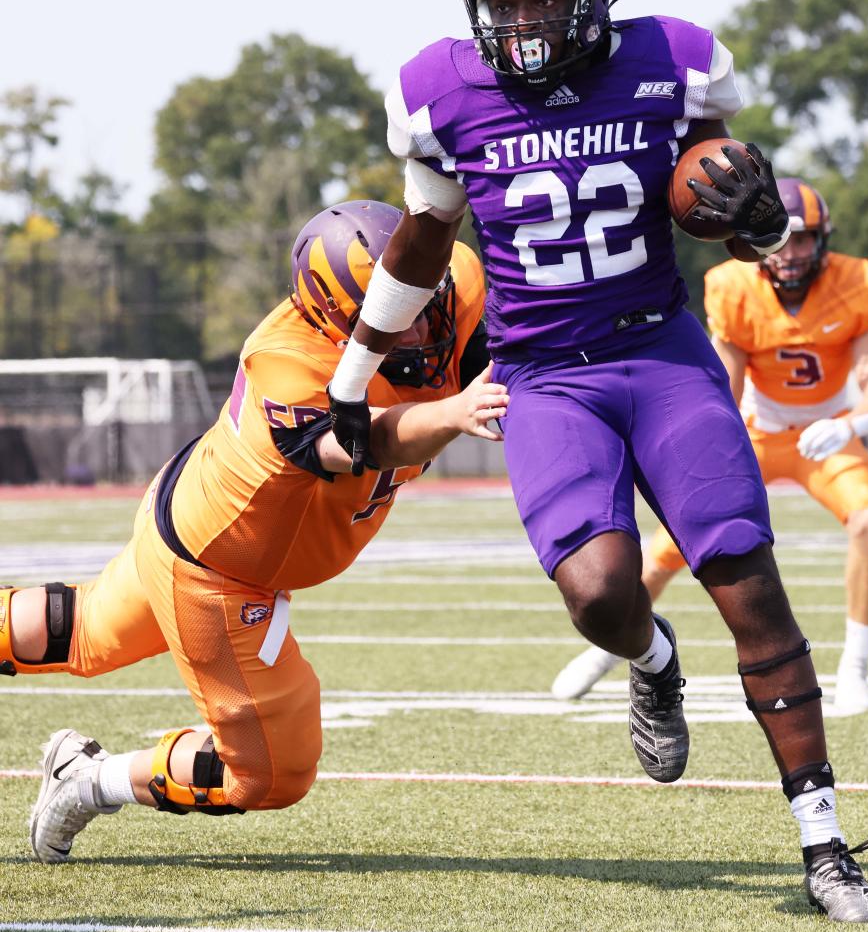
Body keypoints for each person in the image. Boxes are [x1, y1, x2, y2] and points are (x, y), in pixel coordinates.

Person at [324, 0, 868, 922]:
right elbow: (418, 243)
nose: (526, 21)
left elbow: (726, 202)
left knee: (745, 582)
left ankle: (825, 849)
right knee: (597, 592)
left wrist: (758, 224)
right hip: (544, 374)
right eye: (506, 1)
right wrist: (349, 378)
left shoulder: (669, 63)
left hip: (660, 354)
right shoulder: (439, 94)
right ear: (475, 7)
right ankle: (654, 660)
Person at [0, 200, 506, 865]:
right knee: (270, 776)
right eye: (391, 317)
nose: (416, 332)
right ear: (333, 321)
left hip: (187, 512)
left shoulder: (450, 276)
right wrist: (455, 409)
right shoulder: (287, 365)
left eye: (422, 304)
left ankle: (79, 774)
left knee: (85, 630)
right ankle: (90, 780)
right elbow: (368, 440)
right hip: (219, 573)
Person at [551, 179, 868, 718]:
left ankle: (855, 666)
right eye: (789, 239)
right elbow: (724, 388)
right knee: (670, 547)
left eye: (804, 240)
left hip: (827, 433)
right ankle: (606, 651)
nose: (793, 252)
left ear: (824, 240)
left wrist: (848, 426)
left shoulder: (858, 281)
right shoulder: (733, 286)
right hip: (757, 431)